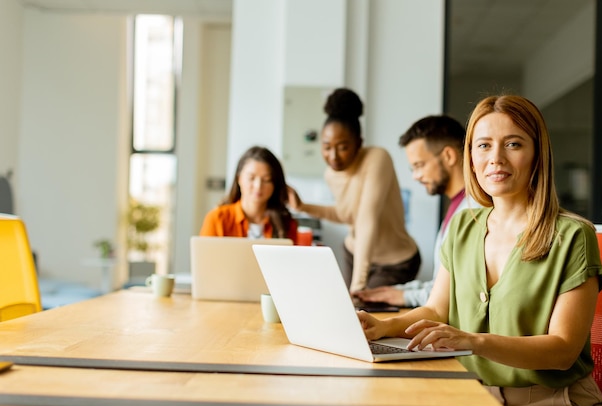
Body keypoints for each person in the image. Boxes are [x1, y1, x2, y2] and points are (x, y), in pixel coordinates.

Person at [357, 95, 602, 406]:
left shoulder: (573, 236)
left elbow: (562, 349)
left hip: (555, 401)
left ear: (537, 155)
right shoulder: (464, 225)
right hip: (471, 396)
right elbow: (437, 308)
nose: (496, 159)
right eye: (484, 145)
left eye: (514, 144)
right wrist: (384, 327)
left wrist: (474, 341)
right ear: (471, 158)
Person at [288, 88, 420, 292]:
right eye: (326, 147)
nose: (333, 156)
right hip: (354, 252)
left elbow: (367, 219)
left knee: (364, 313)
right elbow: (346, 214)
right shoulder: (330, 175)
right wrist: (303, 206)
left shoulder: (377, 158)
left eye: (342, 147)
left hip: (395, 261)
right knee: (351, 313)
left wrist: (357, 286)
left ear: (359, 143)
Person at [353, 115, 477, 307]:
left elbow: (460, 293)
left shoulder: (474, 211)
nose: (416, 176)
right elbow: (441, 282)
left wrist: (403, 297)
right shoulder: (459, 205)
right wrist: (398, 290)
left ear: (449, 156)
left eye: (419, 165)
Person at [199, 146, 298, 242]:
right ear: (239, 179)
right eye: (251, 178)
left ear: (275, 183)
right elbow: (204, 258)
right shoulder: (218, 218)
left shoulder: (287, 224)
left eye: (266, 180)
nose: (258, 186)